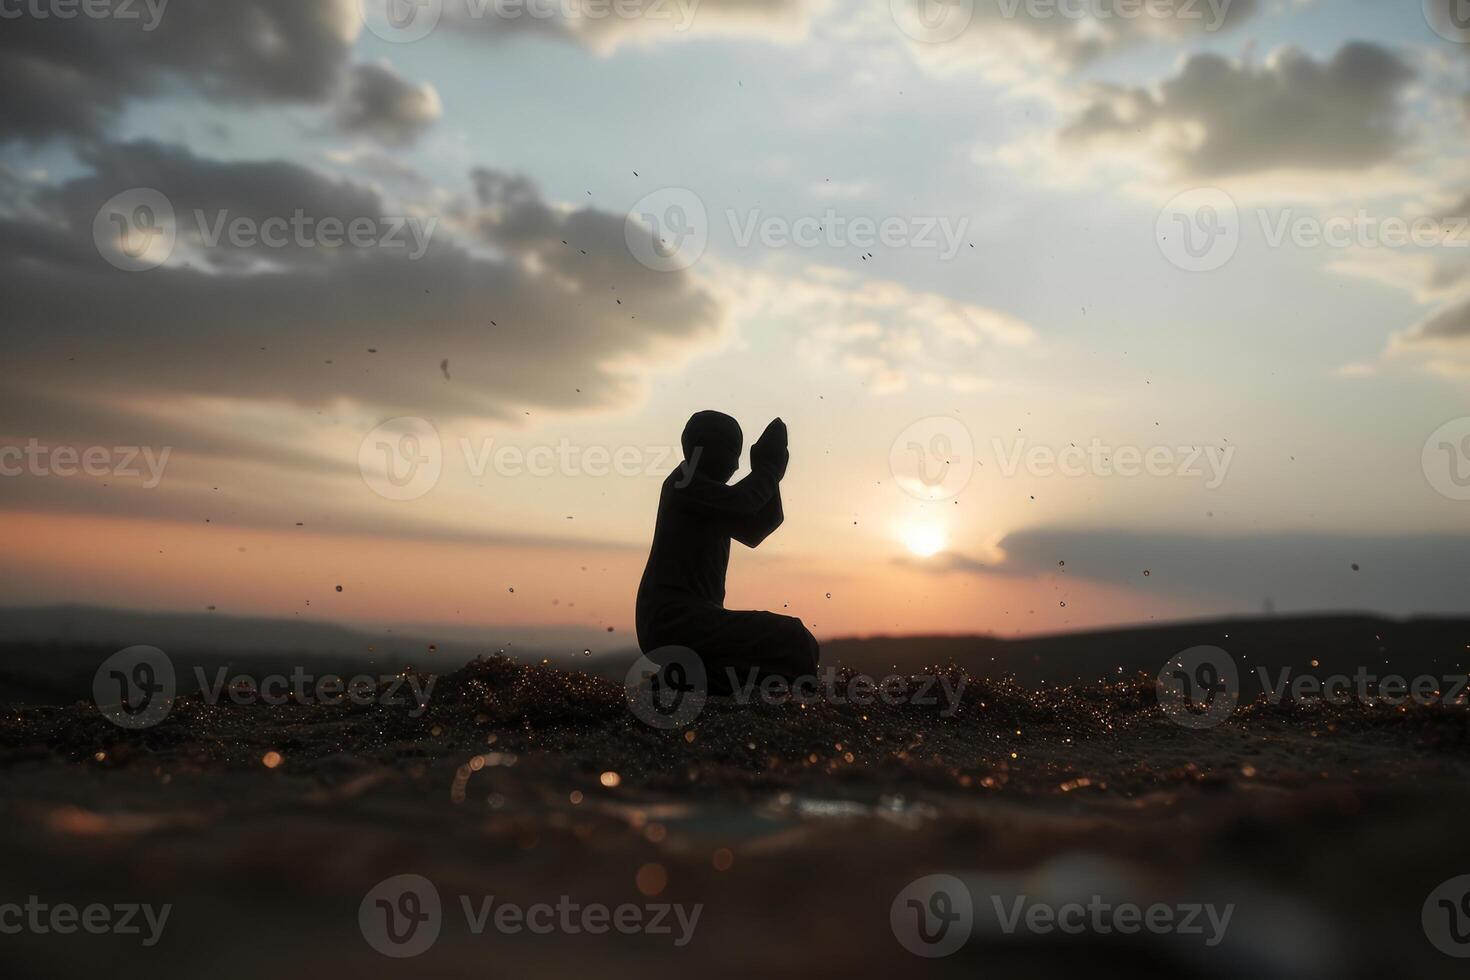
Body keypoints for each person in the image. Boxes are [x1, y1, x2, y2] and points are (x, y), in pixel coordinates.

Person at [635, 411, 819, 695]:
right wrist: (767, 470)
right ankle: (798, 702)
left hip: (690, 620)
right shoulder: (684, 483)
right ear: (699, 446)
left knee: (786, 649)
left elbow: (758, 528)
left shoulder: (708, 496)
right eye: (732, 452)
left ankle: (687, 680)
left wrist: (770, 473)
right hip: (673, 621)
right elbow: (744, 503)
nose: (735, 464)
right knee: (792, 637)